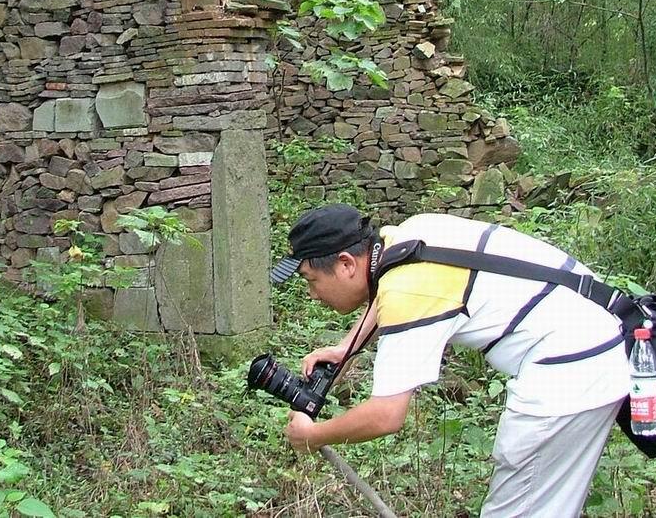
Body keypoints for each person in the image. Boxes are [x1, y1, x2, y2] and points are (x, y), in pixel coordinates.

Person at [270, 203, 630, 518]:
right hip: (597, 329)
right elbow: (384, 289)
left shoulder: (409, 290)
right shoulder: (403, 236)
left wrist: (314, 434)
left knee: (521, 503)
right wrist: (346, 348)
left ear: (347, 263)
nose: (312, 294)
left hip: (572, 369)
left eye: (312, 280)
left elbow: (386, 416)